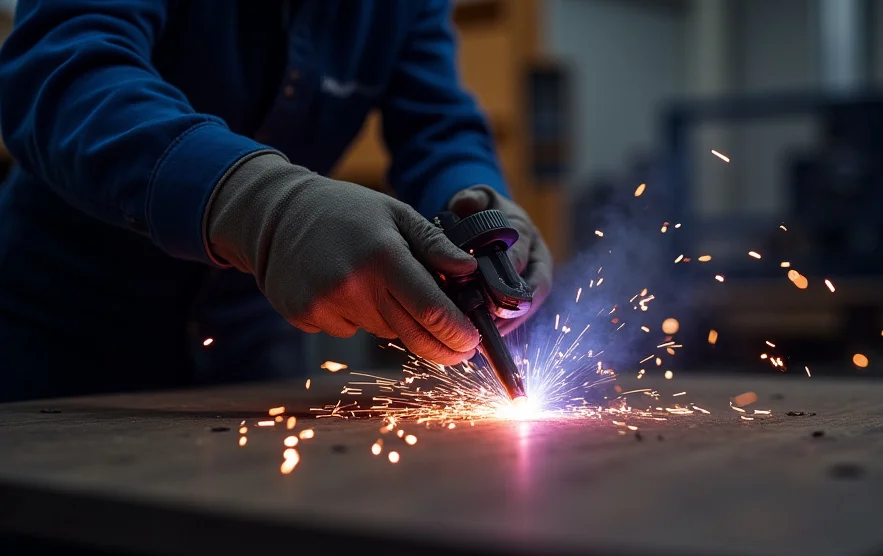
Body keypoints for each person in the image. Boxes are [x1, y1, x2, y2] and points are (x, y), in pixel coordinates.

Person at [0, 0, 553, 402]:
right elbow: (62, 69)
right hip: (64, 321)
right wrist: (260, 205)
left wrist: (475, 201)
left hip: (251, 332)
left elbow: (438, 125)